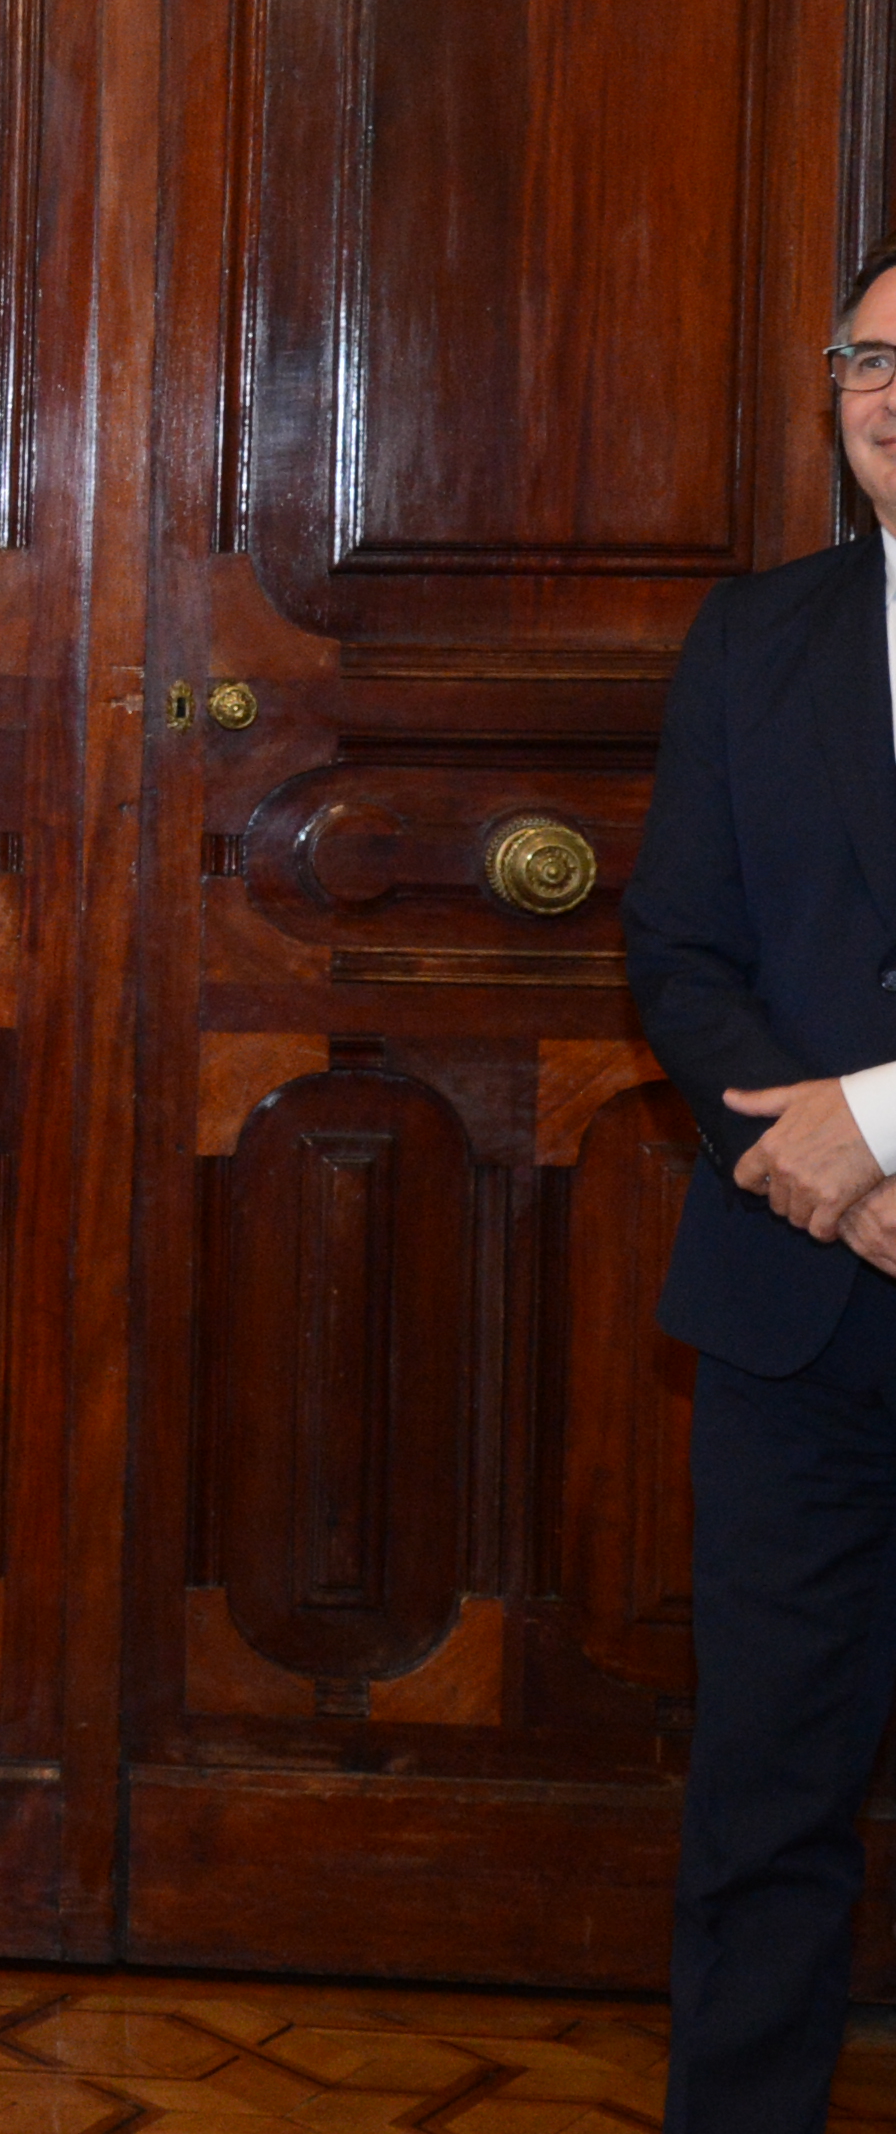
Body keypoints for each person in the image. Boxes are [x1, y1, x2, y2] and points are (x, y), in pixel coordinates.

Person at [622, 234, 896, 2133]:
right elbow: (679, 950)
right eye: (867, 361)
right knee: (765, 1793)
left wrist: (877, 1124)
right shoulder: (754, 637)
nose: (892, 396)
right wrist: (818, 1174)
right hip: (796, 1307)